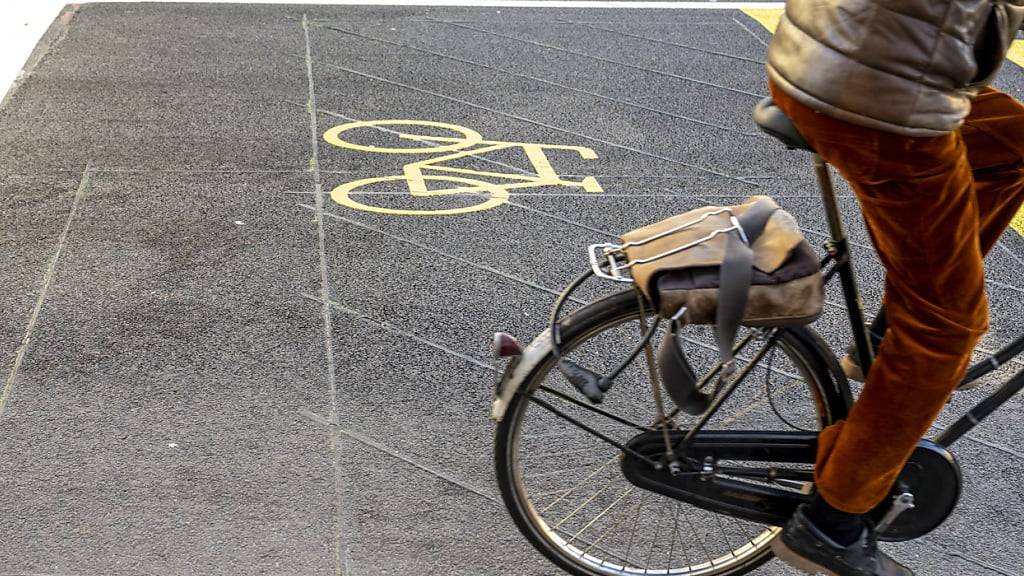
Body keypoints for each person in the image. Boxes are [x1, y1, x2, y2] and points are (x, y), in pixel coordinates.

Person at [763, 2, 1024, 575]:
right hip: (882, 105)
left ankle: (884, 337)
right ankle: (831, 526)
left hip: (822, 63)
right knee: (947, 327)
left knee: (1013, 143)